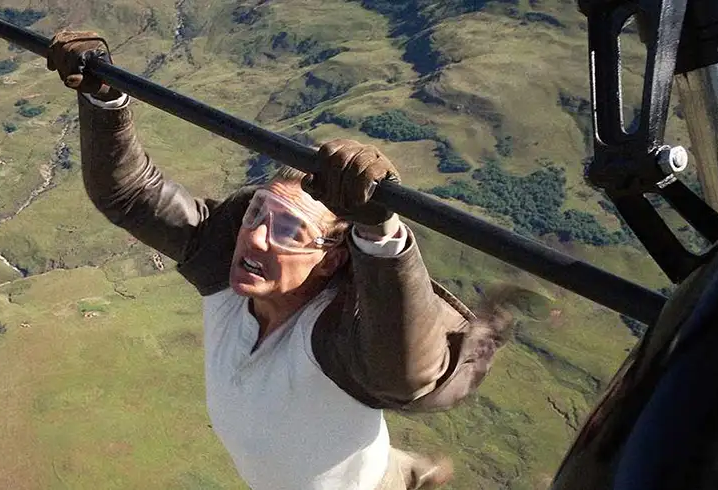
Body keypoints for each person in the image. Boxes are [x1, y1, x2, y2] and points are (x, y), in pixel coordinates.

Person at [46, 30, 511, 490]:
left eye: (289, 230)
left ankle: (409, 477)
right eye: (256, 212)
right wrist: (103, 96)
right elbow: (129, 194)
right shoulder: (222, 268)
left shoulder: (334, 337)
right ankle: (414, 471)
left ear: (328, 261)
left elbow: (405, 374)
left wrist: (379, 230)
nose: (256, 236)